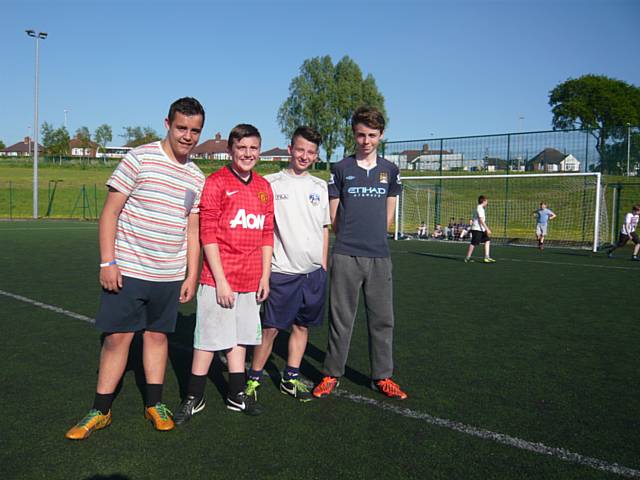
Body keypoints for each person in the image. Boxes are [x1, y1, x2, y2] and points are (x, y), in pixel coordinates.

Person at [65, 97, 206, 440]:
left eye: (194, 130)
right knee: (117, 339)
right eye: (181, 128)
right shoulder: (139, 158)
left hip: (169, 275)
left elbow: (192, 230)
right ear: (167, 124)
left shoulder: (197, 177)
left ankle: (154, 404)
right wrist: (107, 261)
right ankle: (100, 410)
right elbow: (110, 212)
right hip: (128, 270)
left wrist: (190, 274)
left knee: (158, 338)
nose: (187, 136)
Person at [173, 124, 274, 424]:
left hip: (251, 278)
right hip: (218, 280)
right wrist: (220, 281)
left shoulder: (263, 187)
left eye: (253, 148)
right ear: (230, 150)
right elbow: (208, 235)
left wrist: (265, 276)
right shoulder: (216, 183)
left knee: (240, 340)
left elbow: (267, 234)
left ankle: (236, 394)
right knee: (207, 340)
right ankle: (194, 396)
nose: (247, 153)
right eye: (241, 148)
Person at [312, 106, 407, 400]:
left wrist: (376, 233)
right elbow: (334, 215)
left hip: (379, 255)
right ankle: (331, 373)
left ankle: (383, 376)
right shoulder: (341, 169)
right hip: (346, 253)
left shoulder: (390, 170)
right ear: (353, 134)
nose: (366, 140)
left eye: (372, 135)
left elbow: (389, 212)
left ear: (381, 136)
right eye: (361, 135)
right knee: (341, 318)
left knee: (382, 319)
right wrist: (348, 238)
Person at [243, 126, 330, 406]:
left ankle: (289, 377)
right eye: (300, 149)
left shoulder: (320, 186)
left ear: (316, 156)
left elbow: (325, 228)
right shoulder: (270, 183)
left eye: (311, 152)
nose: (305, 156)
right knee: (269, 329)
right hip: (282, 272)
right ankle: (254, 378)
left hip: (313, 273)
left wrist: (324, 265)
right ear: (290, 149)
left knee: (302, 327)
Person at [464, 195, 495, 263]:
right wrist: (487, 229)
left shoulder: (480, 208)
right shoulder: (480, 208)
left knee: (487, 240)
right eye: (486, 201)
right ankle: (467, 258)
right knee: (473, 243)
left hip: (481, 229)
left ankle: (486, 257)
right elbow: (481, 220)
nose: (487, 202)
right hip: (477, 229)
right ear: (483, 201)